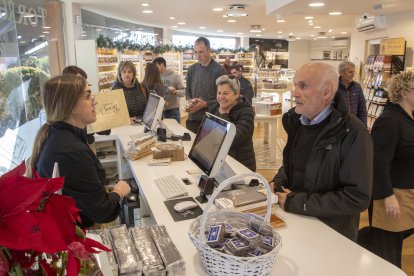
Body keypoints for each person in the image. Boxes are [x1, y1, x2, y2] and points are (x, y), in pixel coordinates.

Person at [272, 62, 372, 242]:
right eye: (295, 85)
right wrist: (278, 181)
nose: (294, 92)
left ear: (326, 92)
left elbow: (357, 197)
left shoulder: (353, 132)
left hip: (332, 235)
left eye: (303, 86)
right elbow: (296, 164)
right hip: (298, 224)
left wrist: (298, 202)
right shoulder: (298, 122)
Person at [31, 75, 131, 228]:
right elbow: (102, 210)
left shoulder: (57, 135)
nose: (94, 101)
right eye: (87, 96)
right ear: (70, 105)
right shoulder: (73, 151)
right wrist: (119, 192)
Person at [368, 71, 414, 268]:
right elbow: (378, 162)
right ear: (403, 92)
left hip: (408, 191)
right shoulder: (390, 121)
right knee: (387, 251)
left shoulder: (408, 117)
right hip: (394, 194)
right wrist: (387, 195)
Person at [208, 75, 256, 171]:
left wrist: (225, 114)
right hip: (221, 163)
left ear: (237, 94)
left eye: (225, 93)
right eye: (219, 93)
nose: (221, 97)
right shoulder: (215, 108)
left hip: (240, 165)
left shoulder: (246, 112)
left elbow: (231, 140)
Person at [61, 65, 111, 148]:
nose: (84, 85)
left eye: (85, 82)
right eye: (80, 82)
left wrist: (102, 115)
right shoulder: (65, 115)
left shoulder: (88, 103)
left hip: (89, 143)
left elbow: (105, 131)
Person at [185, 37, 227, 133]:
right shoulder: (192, 69)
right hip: (192, 118)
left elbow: (224, 97)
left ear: (209, 50)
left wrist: (205, 104)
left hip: (211, 120)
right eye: (195, 52)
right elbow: (188, 90)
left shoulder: (220, 71)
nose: (198, 55)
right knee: (191, 147)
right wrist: (190, 102)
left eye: (201, 52)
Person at [153, 57, 185, 123]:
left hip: (173, 110)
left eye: (156, 66)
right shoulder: (155, 77)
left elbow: (184, 92)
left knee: (176, 131)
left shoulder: (175, 76)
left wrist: (176, 92)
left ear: (161, 64)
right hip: (159, 110)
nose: (154, 69)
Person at [336, 61, 367, 125]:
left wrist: (363, 127)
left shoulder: (357, 87)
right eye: (350, 72)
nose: (353, 74)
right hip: (338, 127)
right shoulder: (334, 87)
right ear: (341, 73)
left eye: (354, 72)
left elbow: (362, 109)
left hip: (354, 125)